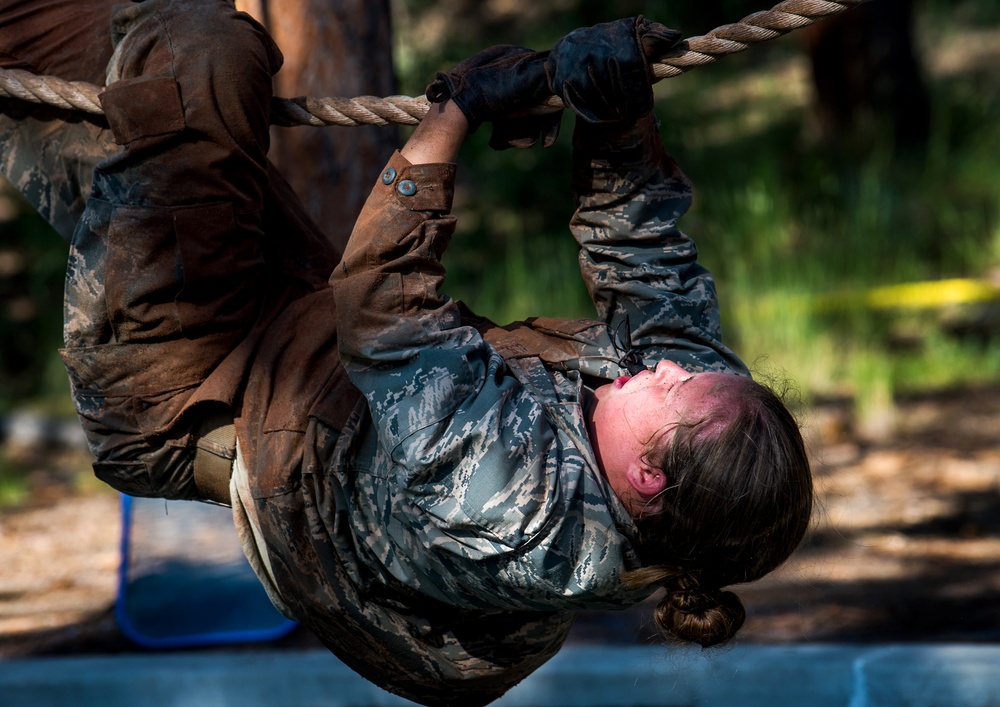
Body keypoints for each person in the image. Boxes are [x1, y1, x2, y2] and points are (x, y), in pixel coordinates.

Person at [0, 1, 814, 705]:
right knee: (123, 68)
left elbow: (389, 316)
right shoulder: (704, 427)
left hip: (188, 396)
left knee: (198, 57)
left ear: (646, 478)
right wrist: (617, 114)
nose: (671, 367)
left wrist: (455, 112)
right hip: (307, 352)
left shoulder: (511, 514)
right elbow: (653, 269)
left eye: (676, 387)